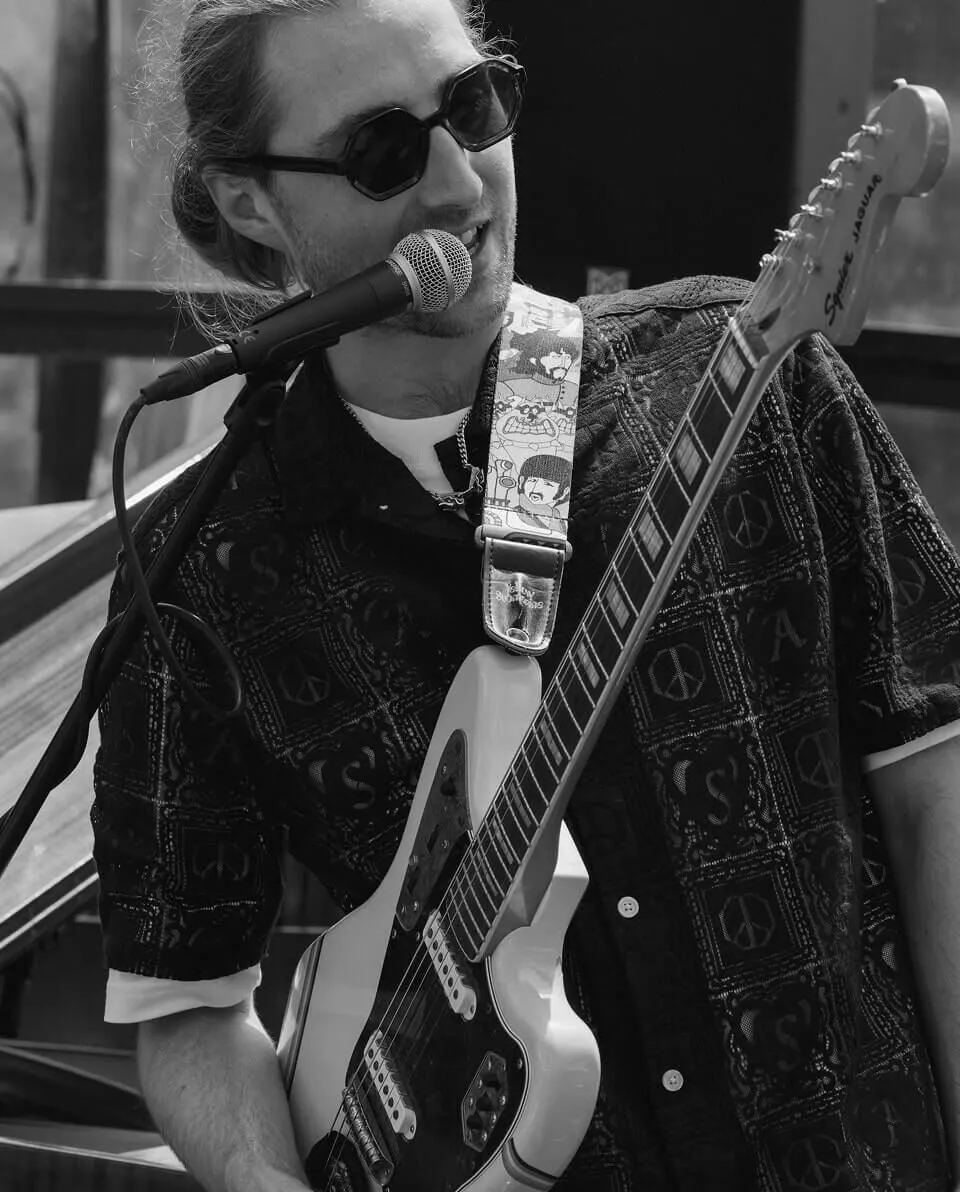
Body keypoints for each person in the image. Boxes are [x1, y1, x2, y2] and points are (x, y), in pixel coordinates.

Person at [91, 1, 960, 1190]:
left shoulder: (744, 377)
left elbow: (939, 798)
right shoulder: (201, 563)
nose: (458, 180)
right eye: (383, 151)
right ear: (250, 201)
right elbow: (185, 996)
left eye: (474, 105)